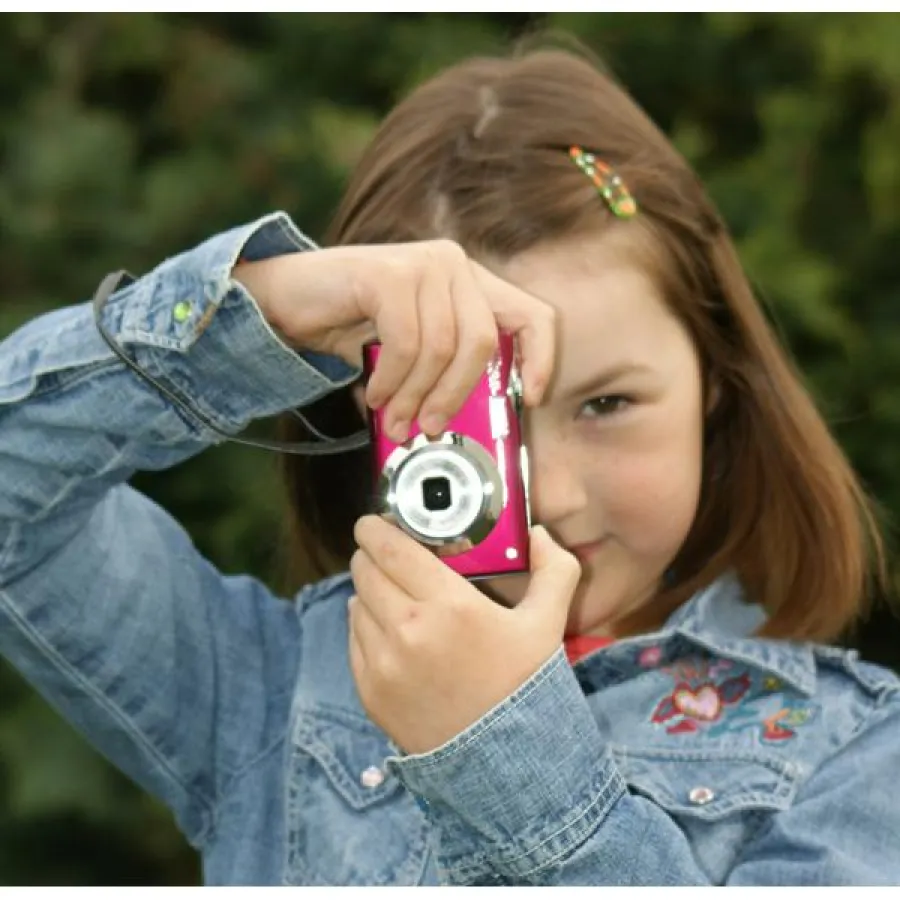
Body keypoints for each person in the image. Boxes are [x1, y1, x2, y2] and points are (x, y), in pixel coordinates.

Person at [1, 43, 898, 887]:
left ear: (715, 382)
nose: (544, 492)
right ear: (369, 412)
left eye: (607, 404)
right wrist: (258, 314)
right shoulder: (263, 693)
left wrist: (501, 751)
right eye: (469, 416)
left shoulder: (860, 755)